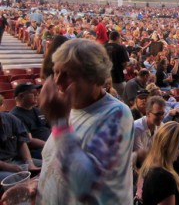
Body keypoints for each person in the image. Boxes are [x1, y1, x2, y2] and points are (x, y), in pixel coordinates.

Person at [37, 38, 134, 204]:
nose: (58, 81)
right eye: (56, 72)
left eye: (68, 75)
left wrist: (60, 123)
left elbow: (88, 187)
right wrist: (37, 187)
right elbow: (55, 162)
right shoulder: (71, 108)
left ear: (95, 78)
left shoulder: (117, 114)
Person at [10, 83, 50, 159]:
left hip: (49, 146)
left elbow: (52, 128)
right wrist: (51, 145)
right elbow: (29, 140)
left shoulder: (38, 111)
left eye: (37, 93)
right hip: (36, 151)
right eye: (33, 93)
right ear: (22, 96)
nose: (37, 95)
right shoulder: (15, 116)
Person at [0, 112, 41, 182]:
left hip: (17, 160)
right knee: (13, 179)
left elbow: (22, 141)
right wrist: (9, 167)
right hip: (2, 167)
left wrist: (29, 163)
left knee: (47, 166)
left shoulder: (10, 118)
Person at [133, 95, 166, 167]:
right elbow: (142, 156)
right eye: (157, 114)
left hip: (154, 163)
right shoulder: (136, 128)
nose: (161, 117)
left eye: (162, 113)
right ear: (148, 113)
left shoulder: (161, 126)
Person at [104, 30, 130, 98]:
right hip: (118, 78)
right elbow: (125, 63)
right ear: (117, 38)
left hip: (105, 79)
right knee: (123, 98)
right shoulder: (121, 48)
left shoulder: (102, 47)